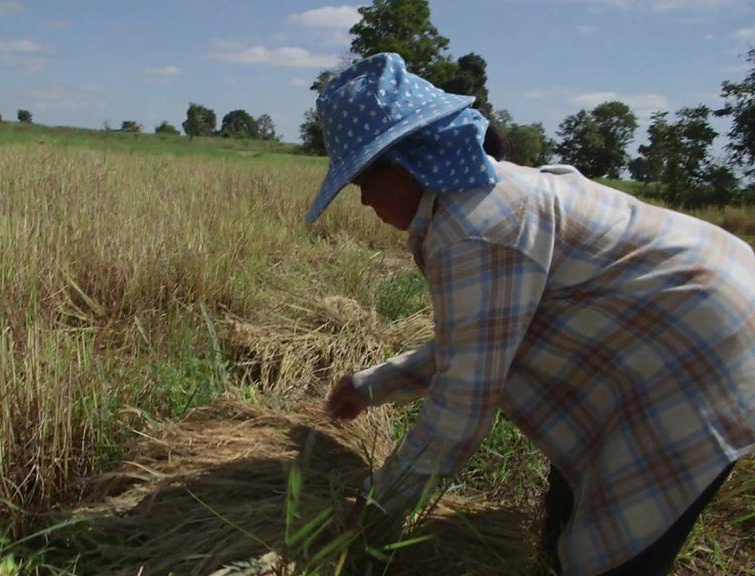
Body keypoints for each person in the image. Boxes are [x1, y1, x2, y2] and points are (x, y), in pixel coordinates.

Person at [312, 53, 755, 576]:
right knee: (579, 500)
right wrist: (372, 386)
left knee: (613, 550)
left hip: (703, 352)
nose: (363, 201)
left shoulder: (476, 225)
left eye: (364, 180)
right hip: (701, 320)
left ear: (413, 160)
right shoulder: (483, 196)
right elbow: (479, 344)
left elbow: (461, 408)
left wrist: (374, 518)